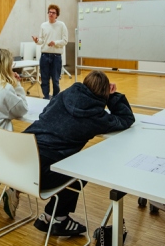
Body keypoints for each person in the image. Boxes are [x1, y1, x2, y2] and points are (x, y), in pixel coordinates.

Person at [21, 71, 134, 236]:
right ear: (104, 94)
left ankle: (50, 216)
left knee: (67, 162)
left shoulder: (64, 95)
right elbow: (126, 119)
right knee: (83, 168)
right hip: (40, 174)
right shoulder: (96, 116)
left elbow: (44, 113)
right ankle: (58, 218)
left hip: (17, 163)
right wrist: (113, 96)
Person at [32, 4, 67, 100]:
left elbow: (65, 41)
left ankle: (55, 97)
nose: (51, 14)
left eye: (53, 13)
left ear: (57, 15)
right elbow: (41, 41)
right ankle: (46, 97)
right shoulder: (43, 25)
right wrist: (36, 40)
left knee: (55, 80)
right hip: (45, 56)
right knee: (44, 79)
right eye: (49, 12)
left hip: (56, 56)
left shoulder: (61, 25)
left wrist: (55, 43)